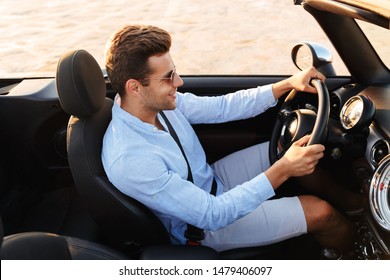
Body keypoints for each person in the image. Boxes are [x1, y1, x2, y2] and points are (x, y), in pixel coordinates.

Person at [102, 24, 359, 255]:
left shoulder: (156, 103)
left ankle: (354, 206)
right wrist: (284, 169)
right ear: (135, 87)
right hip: (201, 228)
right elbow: (212, 214)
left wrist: (287, 84)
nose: (178, 82)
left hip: (211, 180)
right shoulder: (131, 158)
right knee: (320, 212)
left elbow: (223, 107)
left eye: (175, 71)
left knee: (291, 146)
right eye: (168, 77)